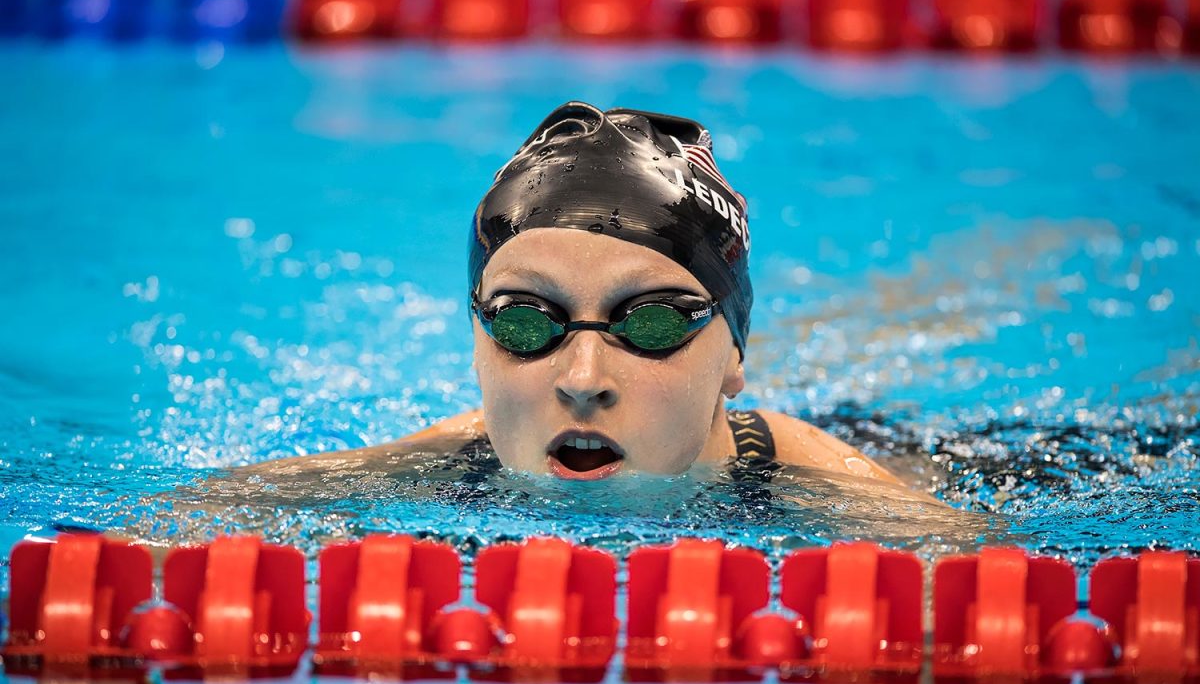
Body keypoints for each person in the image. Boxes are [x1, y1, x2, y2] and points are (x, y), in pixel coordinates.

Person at [236, 101, 907, 490]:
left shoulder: (820, 482)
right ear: (476, 344)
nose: (583, 381)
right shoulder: (442, 462)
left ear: (734, 354)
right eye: (525, 323)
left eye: (652, 324)